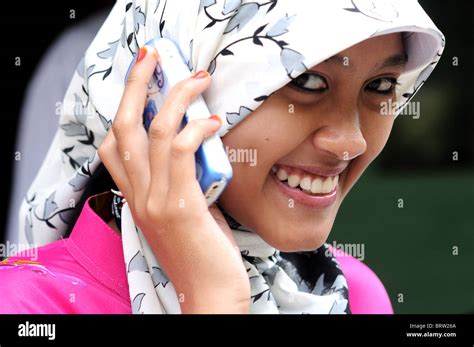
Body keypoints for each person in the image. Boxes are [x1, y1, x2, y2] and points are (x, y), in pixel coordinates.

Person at [0, 0, 444, 314]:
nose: (350, 143)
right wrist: (213, 299)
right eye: (307, 82)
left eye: (381, 86)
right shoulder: (25, 306)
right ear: (167, 94)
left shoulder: (350, 293)